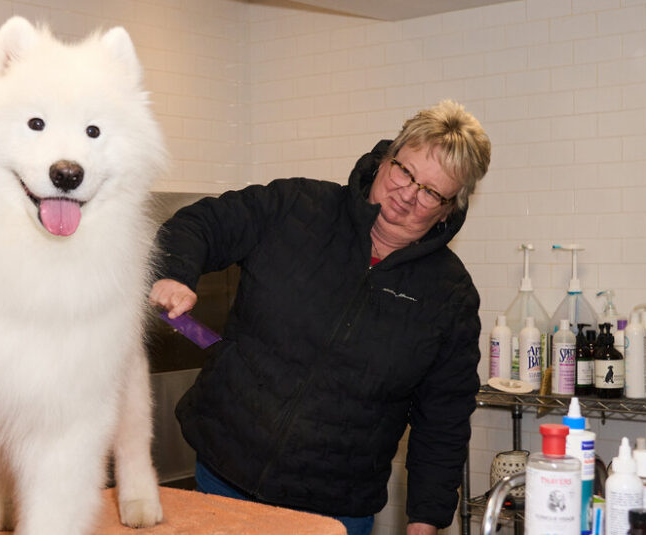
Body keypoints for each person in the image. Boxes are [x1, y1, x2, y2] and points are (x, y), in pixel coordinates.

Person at [149, 100, 491, 535]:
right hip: (224, 477)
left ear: (449, 209)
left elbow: (443, 417)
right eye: (405, 171)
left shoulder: (450, 295)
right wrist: (175, 273)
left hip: (335, 510)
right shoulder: (297, 207)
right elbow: (202, 223)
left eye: (431, 193)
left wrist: (426, 519)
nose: (408, 194)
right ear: (386, 157)